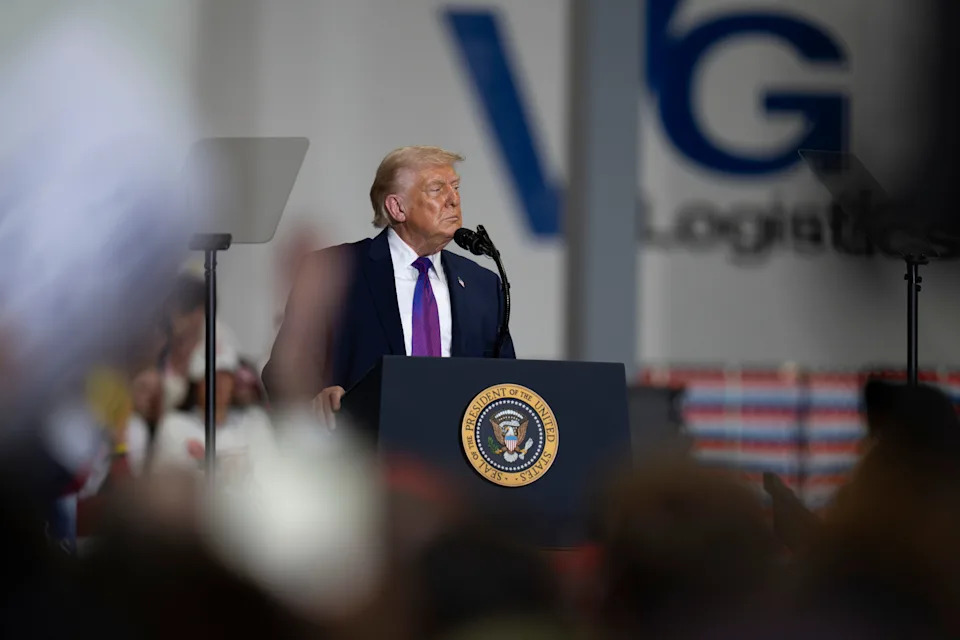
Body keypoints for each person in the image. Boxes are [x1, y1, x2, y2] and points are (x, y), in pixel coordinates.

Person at [263, 146, 515, 418]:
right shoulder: (336, 271)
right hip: (361, 440)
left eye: (455, 187)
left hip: (453, 443)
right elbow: (282, 375)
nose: (453, 199)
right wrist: (315, 402)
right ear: (397, 207)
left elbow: (507, 385)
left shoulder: (483, 285)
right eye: (436, 189)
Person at [151, 340, 275, 485]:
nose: (218, 383)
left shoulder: (254, 421)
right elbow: (169, 483)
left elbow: (271, 473)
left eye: (225, 376)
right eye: (210, 376)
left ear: (233, 382)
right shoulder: (173, 426)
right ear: (196, 383)